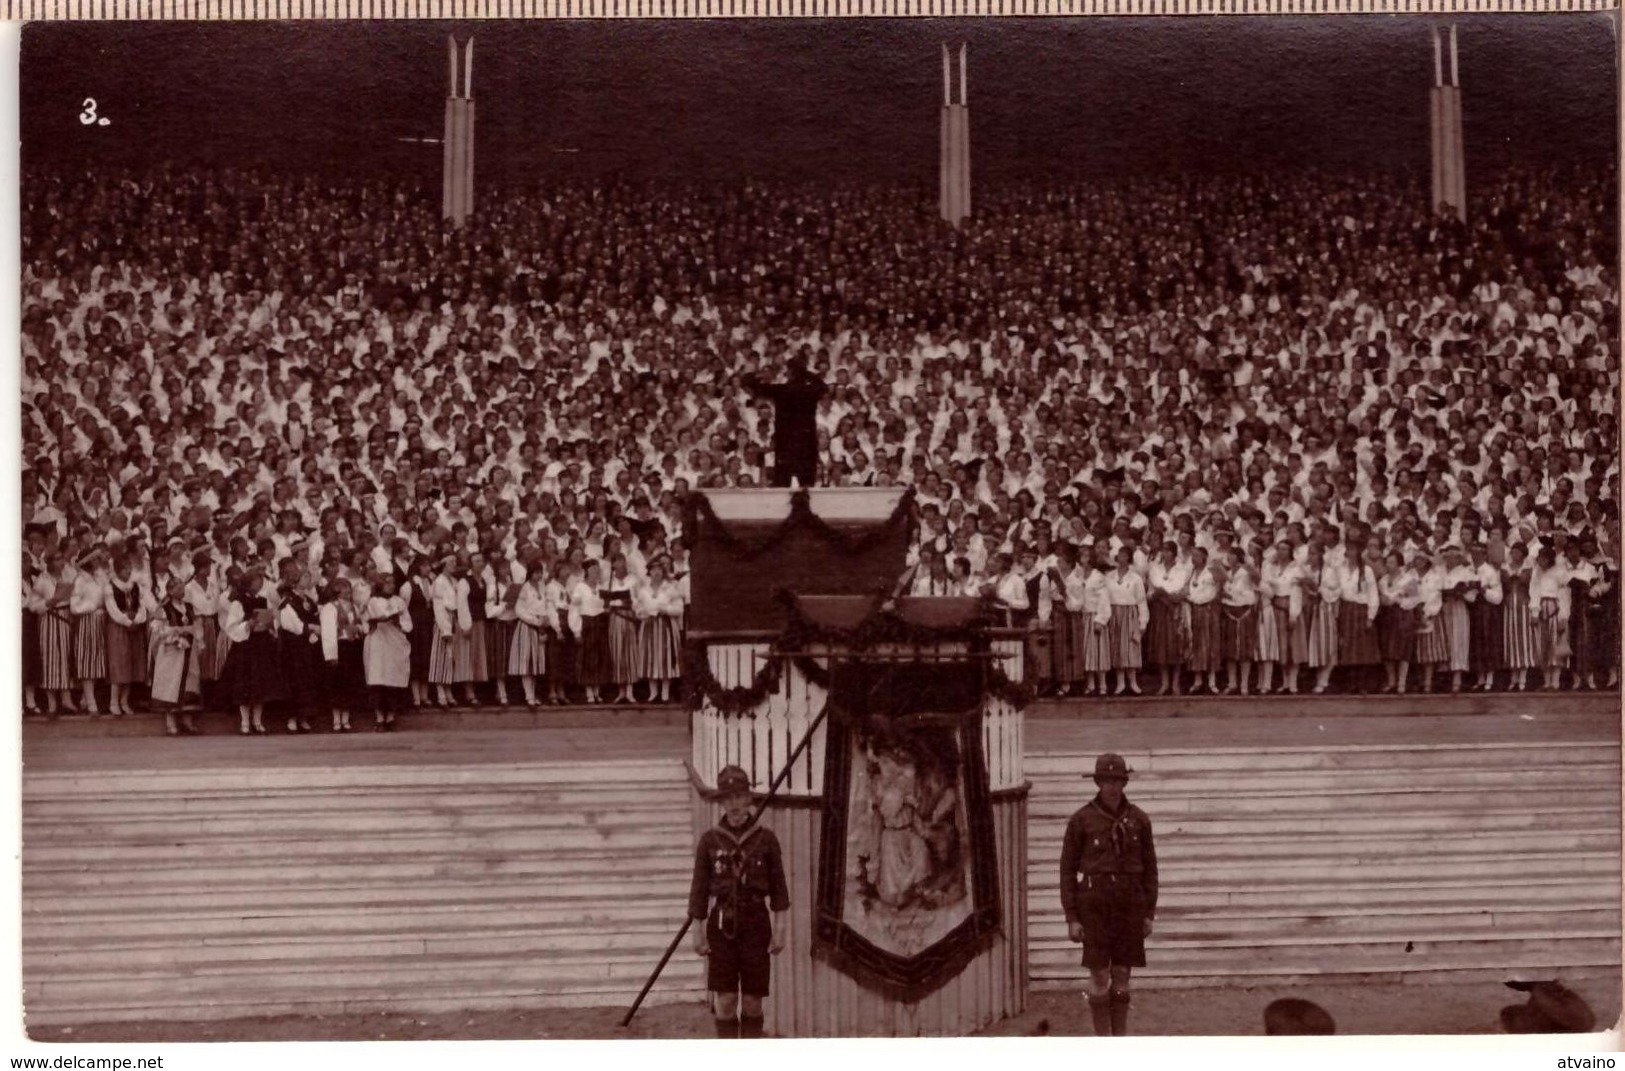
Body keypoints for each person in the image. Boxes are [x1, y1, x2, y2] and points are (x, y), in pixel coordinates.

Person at [1059, 752, 1158, 1037]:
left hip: (1130, 904)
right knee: (1100, 974)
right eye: (1106, 781)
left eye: (1117, 781)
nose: (1112, 787)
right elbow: (1067, 871)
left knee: (1123, 974)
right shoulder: (1082, 820)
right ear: (1098, 783)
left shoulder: (1139, 820)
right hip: (1095, 905)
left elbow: (1150, 870)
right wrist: (1072, 917)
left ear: (1125, 782)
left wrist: (1149, 912)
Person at [688, 765, 789, 1039]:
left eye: (739, 797)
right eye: (728, 798)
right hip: (722, 926)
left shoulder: (765, 839)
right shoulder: (710, 841)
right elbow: (699, 890)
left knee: (754, 1001)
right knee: (726, 1000)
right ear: (721, 801)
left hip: (756, 923)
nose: (734, 804)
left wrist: (780, 929)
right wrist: (697, 930)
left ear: (748, 799)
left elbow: (779, 889)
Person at [743, 355, 828, 488]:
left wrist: (753, 373)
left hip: (785, 444)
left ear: (791, 373)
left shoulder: (781, 390)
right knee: (807, 485)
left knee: (782, 486)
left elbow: (751, 384)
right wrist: (805, 373)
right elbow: (823, 387)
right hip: (806, 444)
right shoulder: (810, 391)